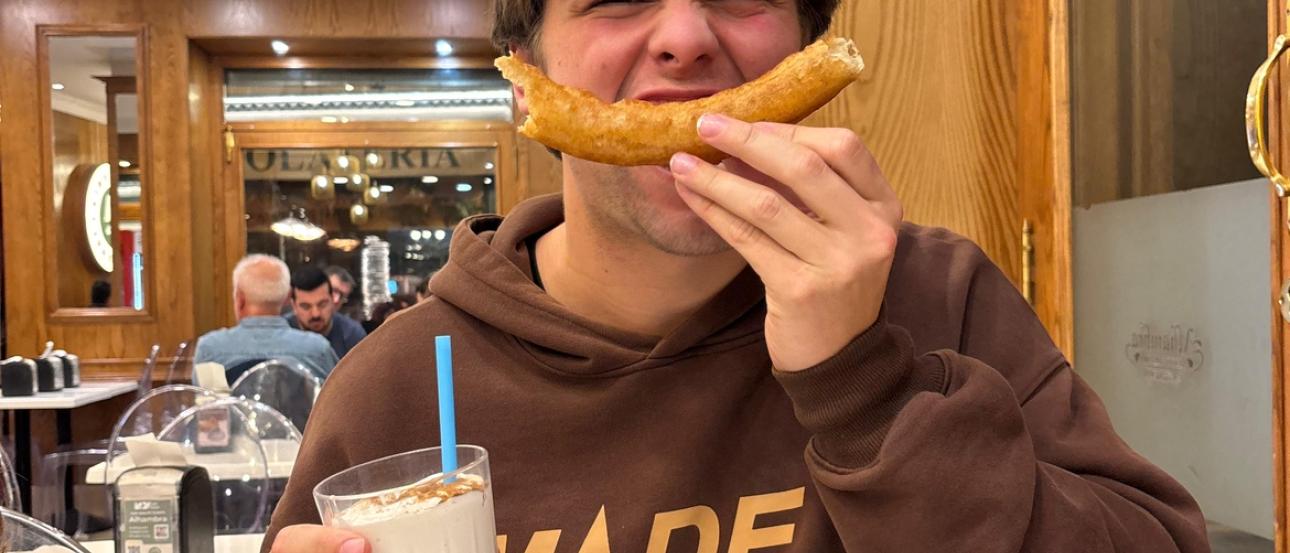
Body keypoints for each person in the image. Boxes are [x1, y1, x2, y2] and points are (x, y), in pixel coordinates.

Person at [263, 0, 1208, 550]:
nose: (684, 37)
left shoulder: (937, 296)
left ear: (804, 53)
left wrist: (866, 388)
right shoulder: (393, 388)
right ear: (529, 82)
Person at [193, 255, 338, 382]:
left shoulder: (210, 349)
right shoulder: (317, 349)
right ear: (287, 298)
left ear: (240, 299)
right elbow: (335, 403)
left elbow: (208, 408)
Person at [287, 266, 366, 360]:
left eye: (322, 304)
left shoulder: (351, 334)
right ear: (294, 306)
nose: (315, 314)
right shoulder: (282, 331)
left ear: (332, 300)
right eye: (306, 307)